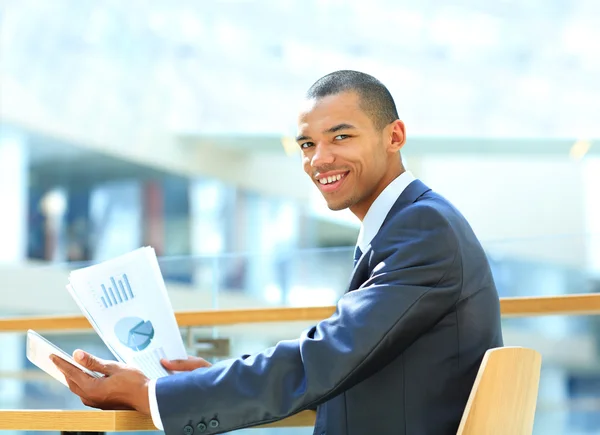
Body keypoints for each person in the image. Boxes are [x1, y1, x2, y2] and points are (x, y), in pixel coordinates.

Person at [51, 70, 504, 434]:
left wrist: (151, 395)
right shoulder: (409, 224)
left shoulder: (422, 228)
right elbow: (344, 368)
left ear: (395, 136)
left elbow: (324, 358)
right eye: (308, 144)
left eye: (341, 137)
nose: (319, 159)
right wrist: (196, 383)